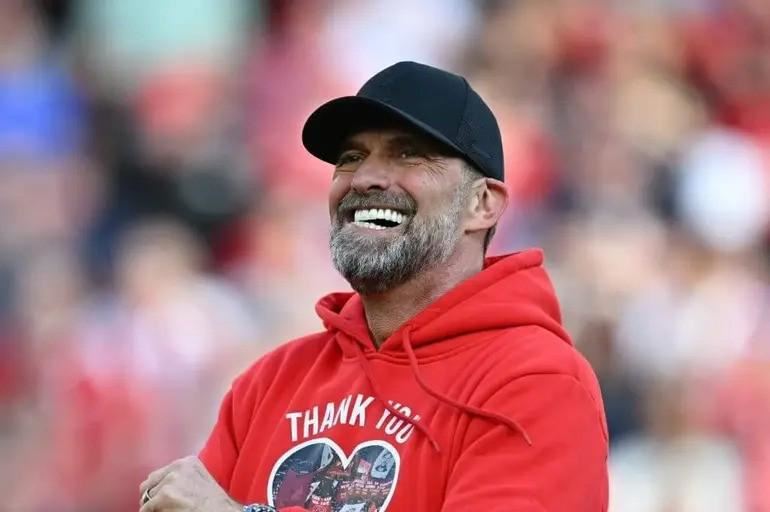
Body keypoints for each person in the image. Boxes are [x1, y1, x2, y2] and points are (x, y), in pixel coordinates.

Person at [138, 61, 609, 512]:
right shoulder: (271, 383)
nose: (365, 179)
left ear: (482, 204)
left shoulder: (537, 382)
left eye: (407, 154)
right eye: (351, 157)